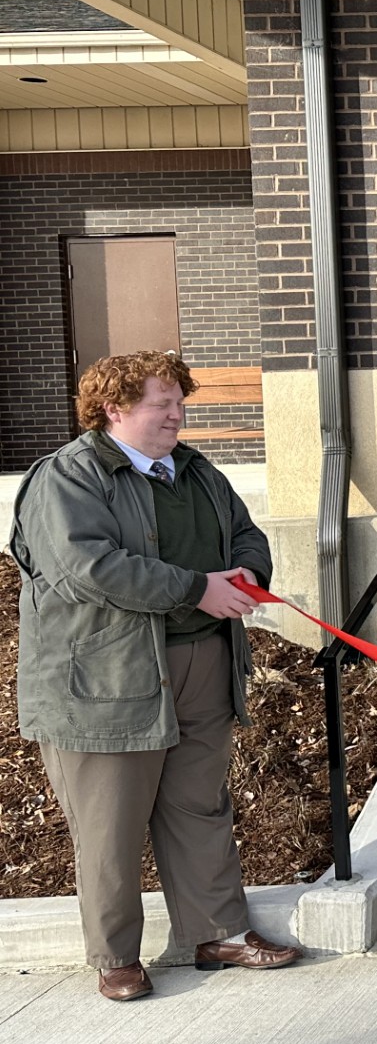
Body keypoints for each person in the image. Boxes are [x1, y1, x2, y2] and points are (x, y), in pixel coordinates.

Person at [11, 351, 300, 1001]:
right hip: (106, 682)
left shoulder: (196, 470)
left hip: (202, 668)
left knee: (200, 807)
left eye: (179, 402)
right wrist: (198, 588)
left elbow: (245, 533)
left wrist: (247, 577)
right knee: (109, 824)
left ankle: (218, 931)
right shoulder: (67, 477)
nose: (177, 414)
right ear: (113, 408)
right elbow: (89, 569)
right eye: (160, 403)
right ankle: (115, 957)